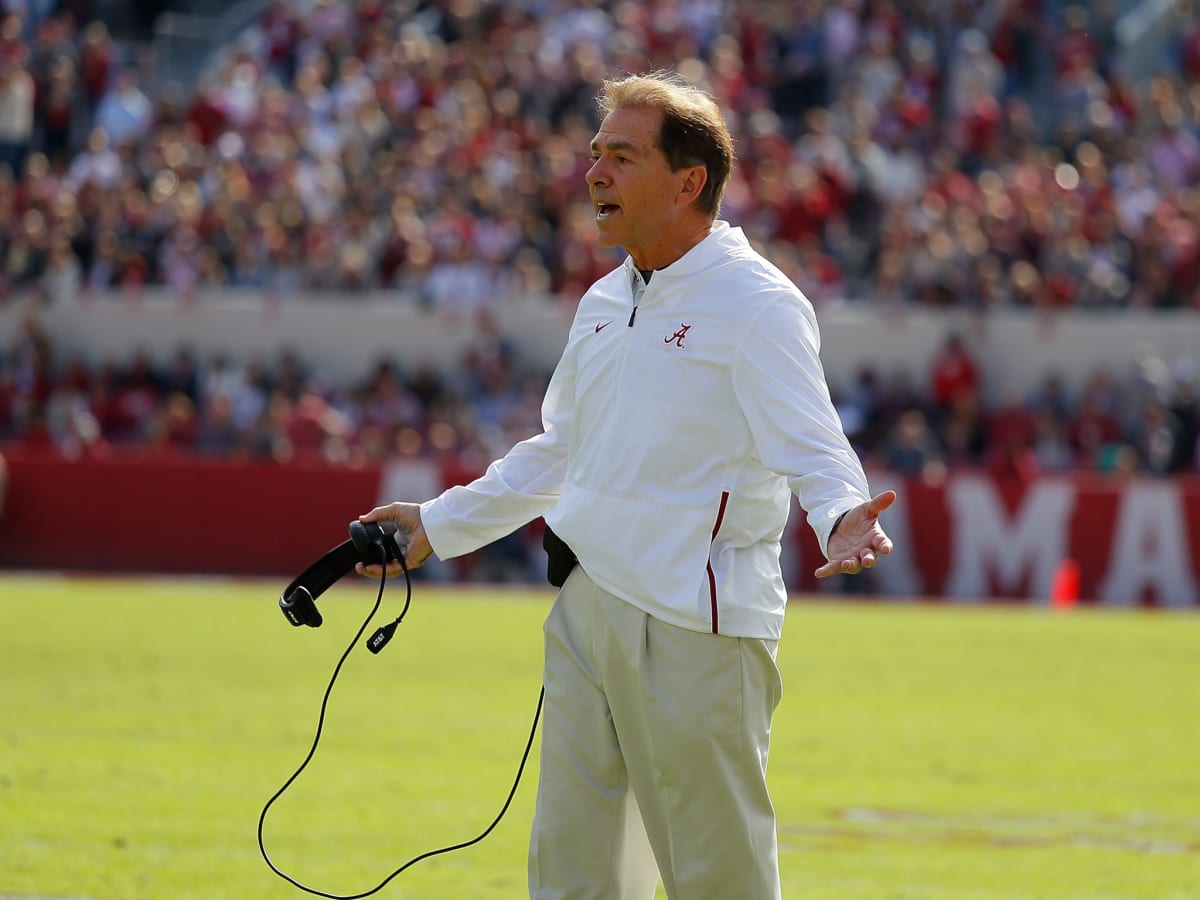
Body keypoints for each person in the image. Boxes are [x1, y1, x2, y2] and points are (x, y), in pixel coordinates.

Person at [357, 70, 895, 900]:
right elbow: (562, 449)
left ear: (690, 182)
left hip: (697, 626)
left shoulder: (758, 303)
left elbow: (814, 444)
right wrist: (439, 521)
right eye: (597, 153)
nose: (594, 174)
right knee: (575, 876)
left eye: (623, 156)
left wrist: (841, 516)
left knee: (719, 881)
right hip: (586, 612)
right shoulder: (605, 300)